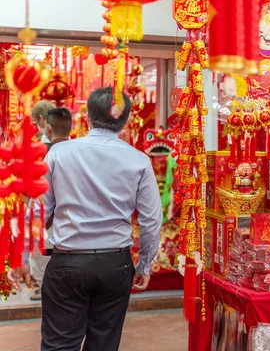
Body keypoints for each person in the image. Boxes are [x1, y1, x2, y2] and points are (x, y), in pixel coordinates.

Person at [8, 88, 162, 351]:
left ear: (88, 117)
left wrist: (21, 256)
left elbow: (37, 210)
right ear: (125, 121)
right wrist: (145, 264)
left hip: (68, 262)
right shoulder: (139, 160)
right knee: (104, 344)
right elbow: (151, 220)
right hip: (116, 264)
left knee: (59, 344)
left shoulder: (59, 153)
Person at [28, 107, 73, 301]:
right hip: (71, 219)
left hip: (46, 215)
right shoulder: (80, 152)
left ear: (46, 125)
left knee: (42, 255)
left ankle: (42, 287)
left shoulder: (39, 152)